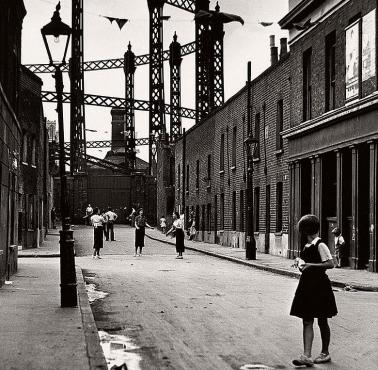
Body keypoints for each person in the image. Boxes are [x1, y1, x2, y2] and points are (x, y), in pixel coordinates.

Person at [290, 214, 337, 367]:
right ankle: (307, 355)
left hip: (320, 286)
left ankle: (325, 352)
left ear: (306, 230)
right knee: (307, 320)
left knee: (322, 320)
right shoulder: (307, 246)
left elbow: (331, 263)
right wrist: (300, 264)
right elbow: (306, 264)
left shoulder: (320, 245)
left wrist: (311, 265)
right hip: (307, 285)